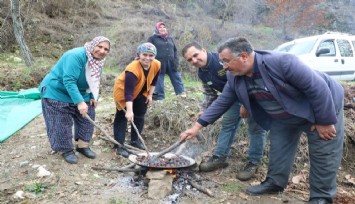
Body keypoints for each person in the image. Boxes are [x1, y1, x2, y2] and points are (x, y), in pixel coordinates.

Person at [180, 37, 344, 204]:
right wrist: (197, 126)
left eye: (226, 61)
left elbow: (318, 88)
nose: (224, 67)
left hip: (320, 109)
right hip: (284, 116)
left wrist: (325, 120)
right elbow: (222, 102)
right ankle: (275, 183)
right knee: (279, 147)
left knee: (324, 153)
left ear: (243, 56)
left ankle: (321, 197)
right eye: (222, 62)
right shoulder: (234, 76)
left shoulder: (282, 62)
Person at [181, 41, 266, 180]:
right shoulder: (202, 73)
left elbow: (245, 76)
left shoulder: (222, 60)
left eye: (196, 55)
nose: (194, 60)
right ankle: (220, 157)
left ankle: (253, 162)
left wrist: (245, 103)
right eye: (190, 59)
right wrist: (205, 110)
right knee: (227, 125)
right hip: (230, 99)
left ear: (203, 49)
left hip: (253, 96)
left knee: (256, 128)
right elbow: (210, 93)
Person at [39, 36, 111, 164]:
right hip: (57, 91)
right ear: (92, 45)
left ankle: (83, 145)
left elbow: (95, 80)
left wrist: (93, 96)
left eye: (106, 49)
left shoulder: (98, 61)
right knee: (61, 122)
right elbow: (69, 80)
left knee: (89, 113)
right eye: (99, 46)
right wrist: (79, 102)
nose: (102, 51)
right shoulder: (76, 56)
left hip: (80, 92)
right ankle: (66, 149)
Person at [113, 42, 160, 158]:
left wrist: (149, 95)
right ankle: (119, 145)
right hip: (124, 94)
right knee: (122, 118)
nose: (148, 58)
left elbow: (154, 80)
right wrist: (129, 110)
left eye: (151, 55)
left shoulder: (157, 64)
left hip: (142, 91)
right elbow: (128, 92)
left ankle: (135, 141)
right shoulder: (132, 69)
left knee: (140, 116)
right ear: (139, 54)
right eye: (145, 54)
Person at [148, 22, 185, 101]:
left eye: (163, 27)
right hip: (158, 63)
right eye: (160, 27)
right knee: (159, 80)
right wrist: (152, 61)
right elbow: (148, 50)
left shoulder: (170, 38)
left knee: (176, 78)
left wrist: (176, 60)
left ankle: (181, 95)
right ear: (157, 29)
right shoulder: (152, 38)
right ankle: (160, 98)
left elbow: (175, 50)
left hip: (171, 63)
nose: (162, 28)